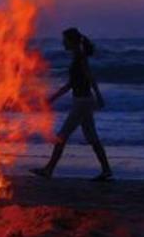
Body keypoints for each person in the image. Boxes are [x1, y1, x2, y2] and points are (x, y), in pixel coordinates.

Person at [31, 27, 113, 181]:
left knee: (62, 136)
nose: (63, 43)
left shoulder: (80, 59)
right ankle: (106, 170)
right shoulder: (77, 58)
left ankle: (49, 170)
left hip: (82, 102)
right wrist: (53, 97)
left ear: (71, 41)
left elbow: (90, 78)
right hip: (83, 101)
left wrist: (99, 96)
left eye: (65, 40)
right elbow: (71, 84)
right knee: (92, 137)